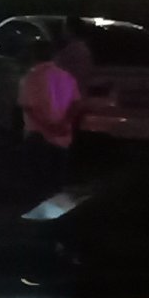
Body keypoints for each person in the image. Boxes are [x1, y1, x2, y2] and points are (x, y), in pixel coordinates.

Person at [19, 38, 89, 195]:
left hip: (37, 136)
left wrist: (47, 127)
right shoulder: (66, 76)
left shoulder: (31, 78)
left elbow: (28, 108)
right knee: (57, 180)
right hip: (62, 136)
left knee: (37, 181)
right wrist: (64, 123)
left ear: (33, 56)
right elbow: (76, 103)